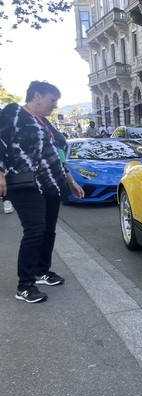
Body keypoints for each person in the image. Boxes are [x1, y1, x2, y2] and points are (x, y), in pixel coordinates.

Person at [0, 81, 85, 303]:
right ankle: (25, 285)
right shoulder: (14, 113)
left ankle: (41, 271)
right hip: (26, 182)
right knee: (35, 230)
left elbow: (55, 155)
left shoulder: (45, 123)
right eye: (52, 100)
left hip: (51, 183)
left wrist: (70, 181)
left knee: (48, 231)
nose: (54, 106)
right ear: (37, 95)